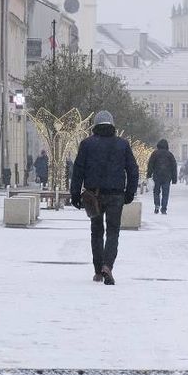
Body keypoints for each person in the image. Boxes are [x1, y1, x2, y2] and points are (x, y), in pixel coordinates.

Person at [70, 110, 138, 285]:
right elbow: (133, 169)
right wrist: (130, 192)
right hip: (116, 195)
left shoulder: (86, 144)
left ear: (95, 126)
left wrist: (75, 194)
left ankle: (98, 270)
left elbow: (78, 170)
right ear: (112, 125)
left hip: (94, 195)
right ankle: (107, 266)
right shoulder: (122, 144)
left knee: (97, 232)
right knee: (113, 232)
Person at [146, 139, 177, 214]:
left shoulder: (155, 154)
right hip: (167, 177)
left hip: (157, 176)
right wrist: (174, 178)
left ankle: (157, 205)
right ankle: (164, 209)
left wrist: (149, 174)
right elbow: (174, 166)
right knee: (165, 193)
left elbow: (150, 164)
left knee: (156, 192)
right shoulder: (169, 154)